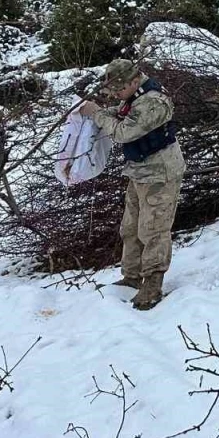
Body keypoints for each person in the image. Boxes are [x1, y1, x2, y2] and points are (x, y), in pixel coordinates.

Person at [77, 59, 185, 310]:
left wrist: (97, 113)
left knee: (154, 228)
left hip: (159, 173)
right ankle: (132, 277)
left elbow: (124, 132)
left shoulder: (152, 102)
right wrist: (101, 112)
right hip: (139, 171)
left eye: (119, 89)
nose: (116, 94)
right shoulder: (135, 96)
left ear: (135, 81)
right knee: (131, 227)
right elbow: (122, 111)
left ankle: (153, 282)